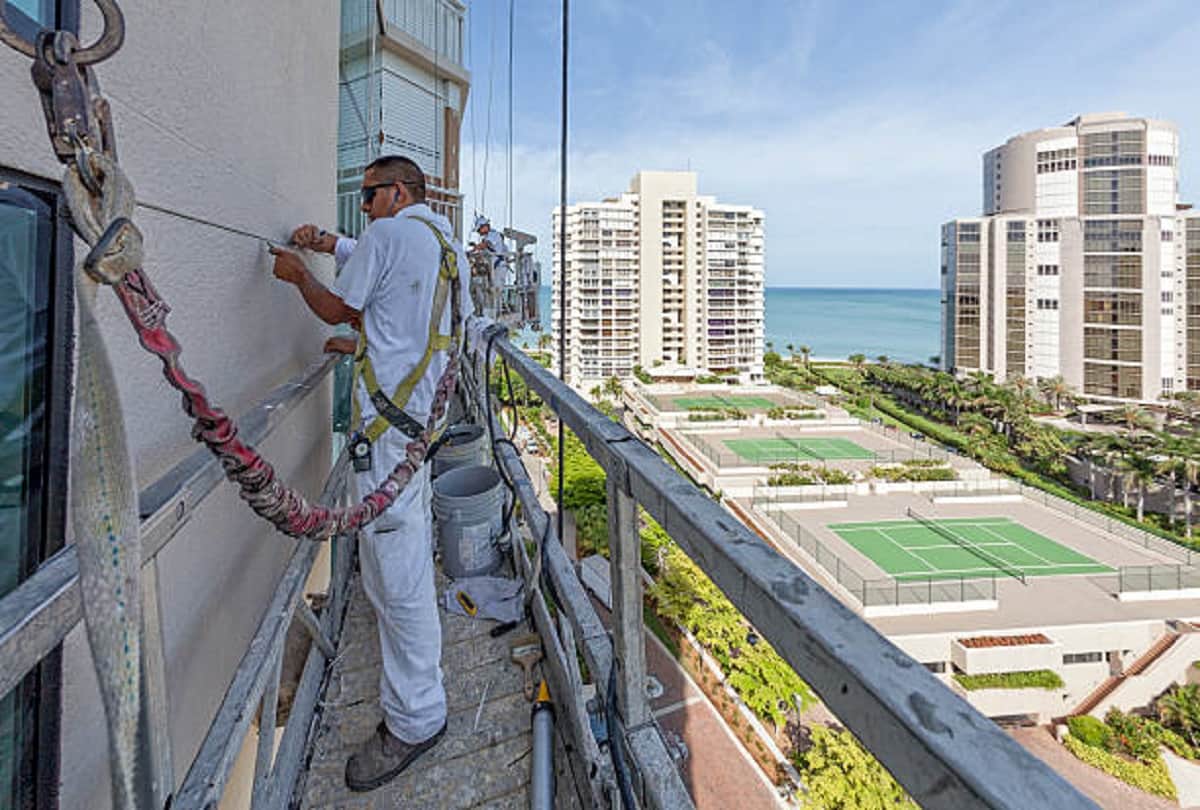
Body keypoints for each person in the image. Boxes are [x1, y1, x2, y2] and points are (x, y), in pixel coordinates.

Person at [270, 154, 470, 792]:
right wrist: (335, 250)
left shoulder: (389, 234)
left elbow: (337, 306)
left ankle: (416, 718)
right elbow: (405, 316)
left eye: (367, 196)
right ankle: (413, 696)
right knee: (398, 560)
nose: (362, 207)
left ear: (396, 192)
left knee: (399, 573)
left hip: (387, 441)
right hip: (417, 428)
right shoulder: (446, 245)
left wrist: (299, 274)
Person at [472, 214, 509, 313]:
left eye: (479, 229)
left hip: (498, 267)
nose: (479, 232)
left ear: (484, 226)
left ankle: (497, 311)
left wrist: (475, 248)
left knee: (496, 289)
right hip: (492, 267)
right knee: (488, 289)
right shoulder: (487, 237)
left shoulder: (493, 235)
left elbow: (485, 245)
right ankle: (489, 309)